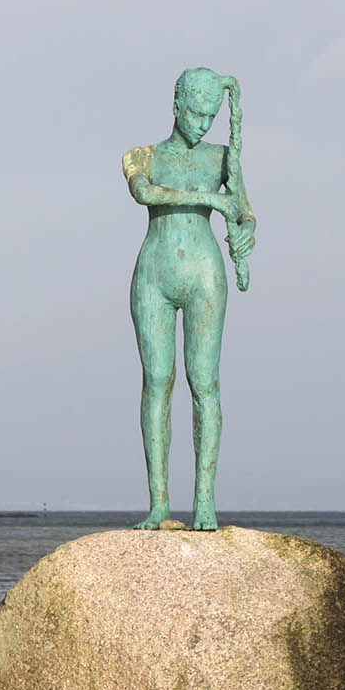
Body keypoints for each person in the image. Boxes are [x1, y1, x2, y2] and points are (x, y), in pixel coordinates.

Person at [123, 67, 256, 531]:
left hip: (204, 276)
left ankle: (204, 501)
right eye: (196, 114)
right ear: (177, 105)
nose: (202, 125)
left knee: (204, 382)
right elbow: (145, 194)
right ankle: (159, 503)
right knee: (157, 380)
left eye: (211, 117)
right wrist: (211, 201)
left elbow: (245, 214)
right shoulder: (142, 156)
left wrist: (244, 235)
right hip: (154, 277)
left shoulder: (223, 159)